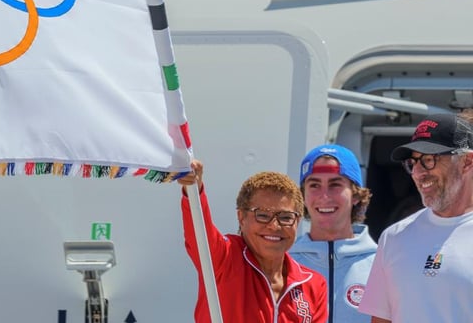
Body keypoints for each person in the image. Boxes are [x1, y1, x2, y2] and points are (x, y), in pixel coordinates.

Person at [358, 112, 473, 323]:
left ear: (466, 161)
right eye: (413, 163)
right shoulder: (394, 237)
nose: (418, 173)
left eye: (428, 160)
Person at [180, 160, 328, 323]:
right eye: (262, 215)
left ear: (297, 222)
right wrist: (194, 190)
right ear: (241, 217)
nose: (274, 226)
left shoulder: (314, 285)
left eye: (286, 217)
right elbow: (199, 231)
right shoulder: (225, 258)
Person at [290, 144, 377, 323]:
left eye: (335, 184)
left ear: (355, 195)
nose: (324, 196)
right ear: (303, 196)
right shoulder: (283, 263)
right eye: (314, 185)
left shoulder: (382, 263)